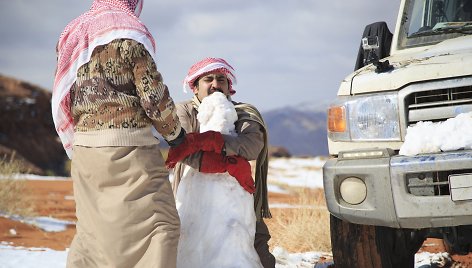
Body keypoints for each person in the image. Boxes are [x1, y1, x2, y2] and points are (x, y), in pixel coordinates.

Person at [50, 1, 214, 267]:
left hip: (85, 152)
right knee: (161, 228)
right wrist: (176, 136)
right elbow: (152, 96)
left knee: (94, 237)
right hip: (130, 149)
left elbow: (62, 92)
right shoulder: (129, 31)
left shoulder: (74, 32)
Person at [166, 57, 276, 268]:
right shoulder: (183, 111)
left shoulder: (243, 112)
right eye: (208, 79)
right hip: (190, 196)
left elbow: (252, 146)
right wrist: (232, 163)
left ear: (229, 86)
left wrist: (211, 141)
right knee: (186, 245)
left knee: (253, 244)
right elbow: (184, 151)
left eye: (221, 79)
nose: (215, 84)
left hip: (237, 197)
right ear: (195, 87)